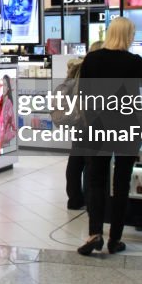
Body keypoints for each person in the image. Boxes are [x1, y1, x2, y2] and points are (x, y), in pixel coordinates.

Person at [77, 17, 142, 256]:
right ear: (128, 35)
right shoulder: (136, 62)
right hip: (128, 127)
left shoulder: (93, 59)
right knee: (121, 183)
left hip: (98, 126)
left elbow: (83, 94)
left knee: (96, 179)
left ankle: (94, 233)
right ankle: (115, 238)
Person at [54, 56, 86, 209]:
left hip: (75, 125)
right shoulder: (81, 83)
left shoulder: (68, 83)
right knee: (84, 161)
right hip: (85, 125)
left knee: (75, 161)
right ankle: (82, 197)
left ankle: (74, 198)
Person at [0, 74, 17, 154]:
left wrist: (7, 136)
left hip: (4, 139)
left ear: (8, 88)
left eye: (5, 85)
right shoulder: (0, 100)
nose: (3, 87)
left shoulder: (9, 103)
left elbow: (13, 125)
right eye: (2, 84)